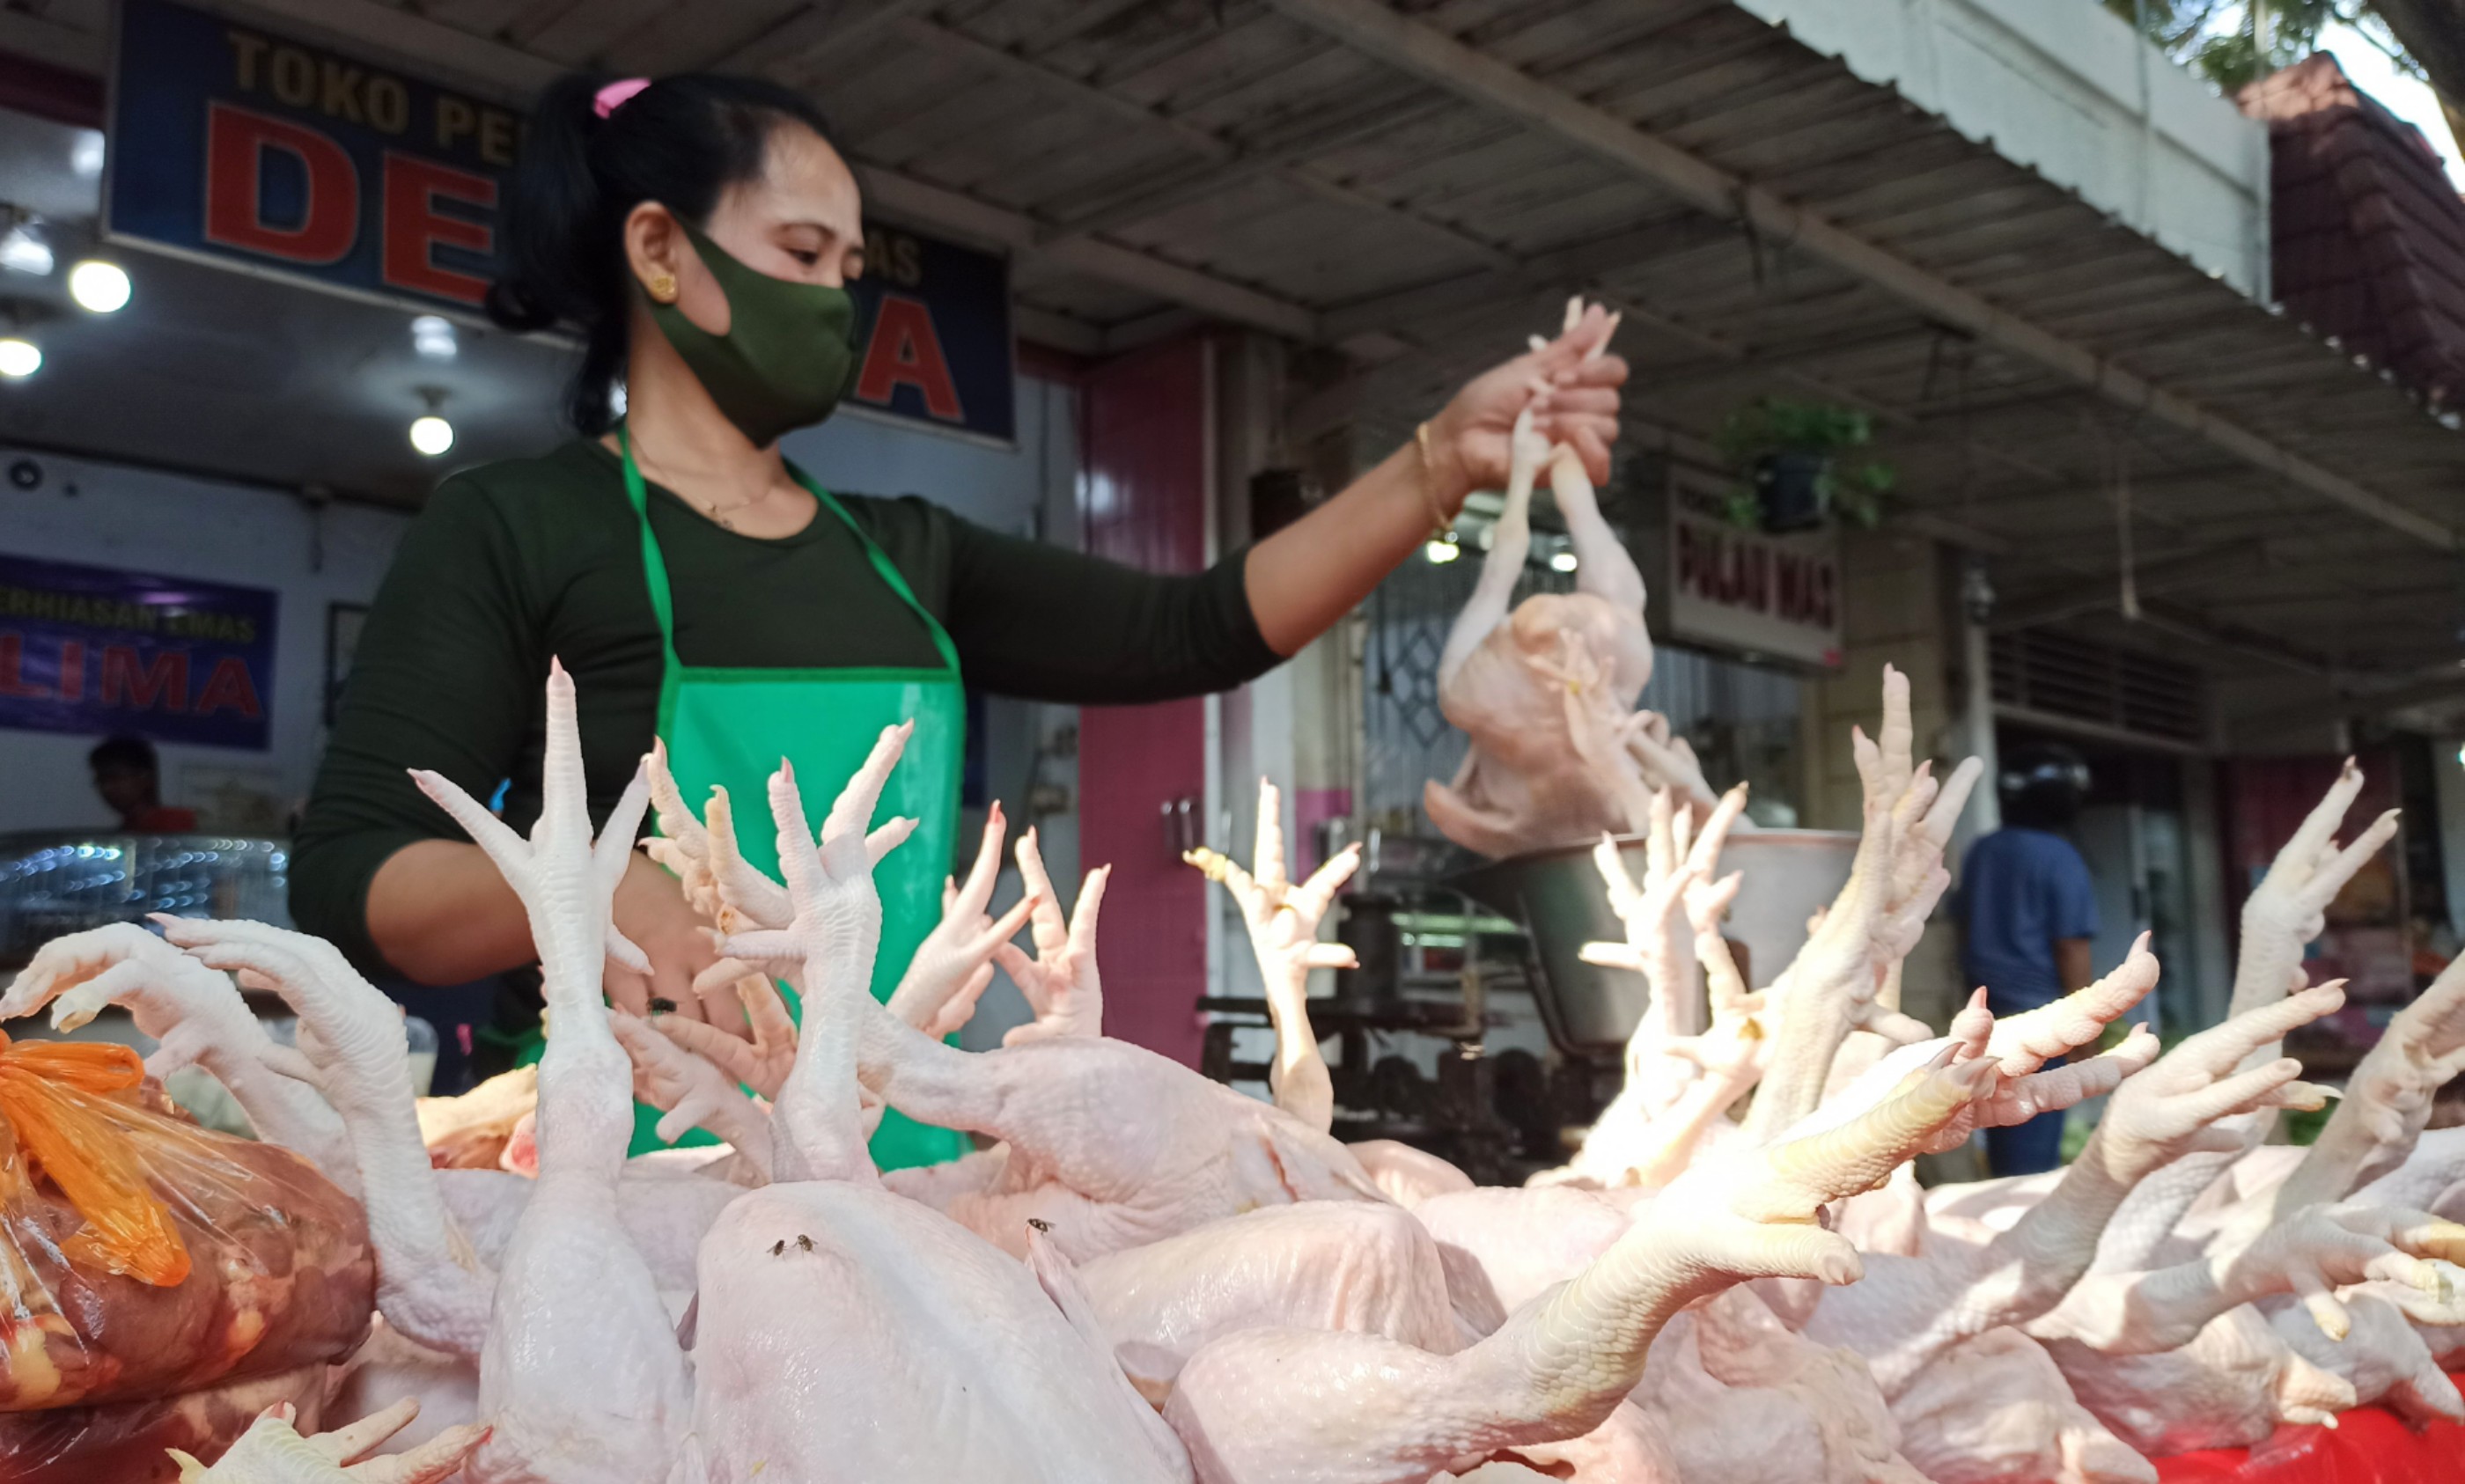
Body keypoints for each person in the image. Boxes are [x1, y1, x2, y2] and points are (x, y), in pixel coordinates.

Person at [289, 71, 1630, 1167]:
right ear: (660, 249)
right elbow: (358, 877)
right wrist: (580, 881)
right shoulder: (520, 525)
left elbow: (1199, 627)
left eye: (853, 265)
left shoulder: (902, 554)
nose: (837, 300)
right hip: (642, 1154)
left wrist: (1439, 463)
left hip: (918, 1145)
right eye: (802, 253)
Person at [1957, 741, 2100, 1175]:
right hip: (2042, 1021)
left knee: (1998, 1127)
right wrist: (2085, 1027)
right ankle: (2017, 1234)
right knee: (2030, 1143)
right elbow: (2071, 946)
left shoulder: (1983, 850)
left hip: (1982, 1014)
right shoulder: (2058, 856)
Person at [89, 736, 196, 833]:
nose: (106, 788)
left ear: (144, 776)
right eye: (100, 781)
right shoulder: (129, 828)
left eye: (114, 778)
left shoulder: (177, 823)